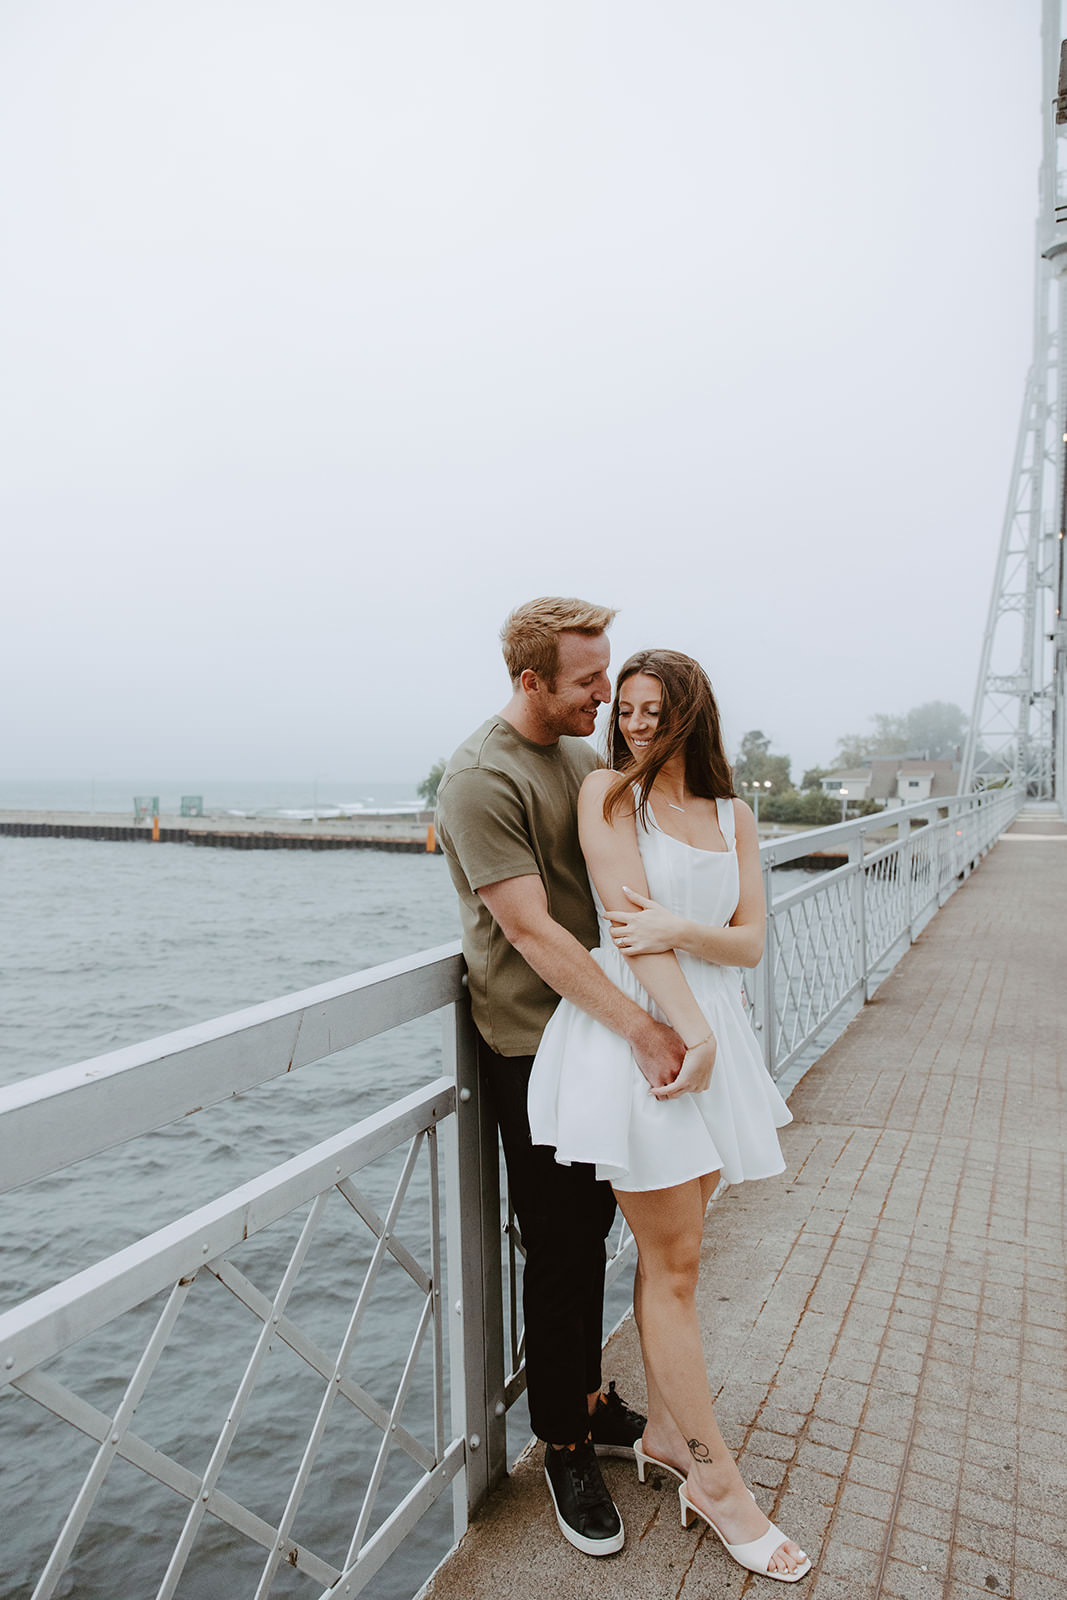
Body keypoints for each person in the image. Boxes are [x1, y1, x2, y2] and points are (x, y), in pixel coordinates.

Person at [527, 649, 812, 1583]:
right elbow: (623, 929)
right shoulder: (609, 795)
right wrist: (686, 1036)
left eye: (655, 709)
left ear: (691, 713)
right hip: (644, 1039)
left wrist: (687, 936)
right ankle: (719, 1485)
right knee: (675, 1266)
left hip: (707, 1032)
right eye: (628, 708)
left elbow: (748, 941)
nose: (636, 722)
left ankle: (665, 1443)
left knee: (674, 1261)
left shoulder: (734, 813)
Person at [435, 600, 688, 1558]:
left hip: (599, 1035)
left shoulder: (582, 761)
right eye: (588, 681)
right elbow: (532, 931)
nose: (604, 696)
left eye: (607, 673)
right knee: (559, 1240)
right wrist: (639, 1028)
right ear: (531, 680)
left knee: (598, 1225)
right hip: (534, 1044)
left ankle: (584, 1394)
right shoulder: (478, 778)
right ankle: (564, 1448)